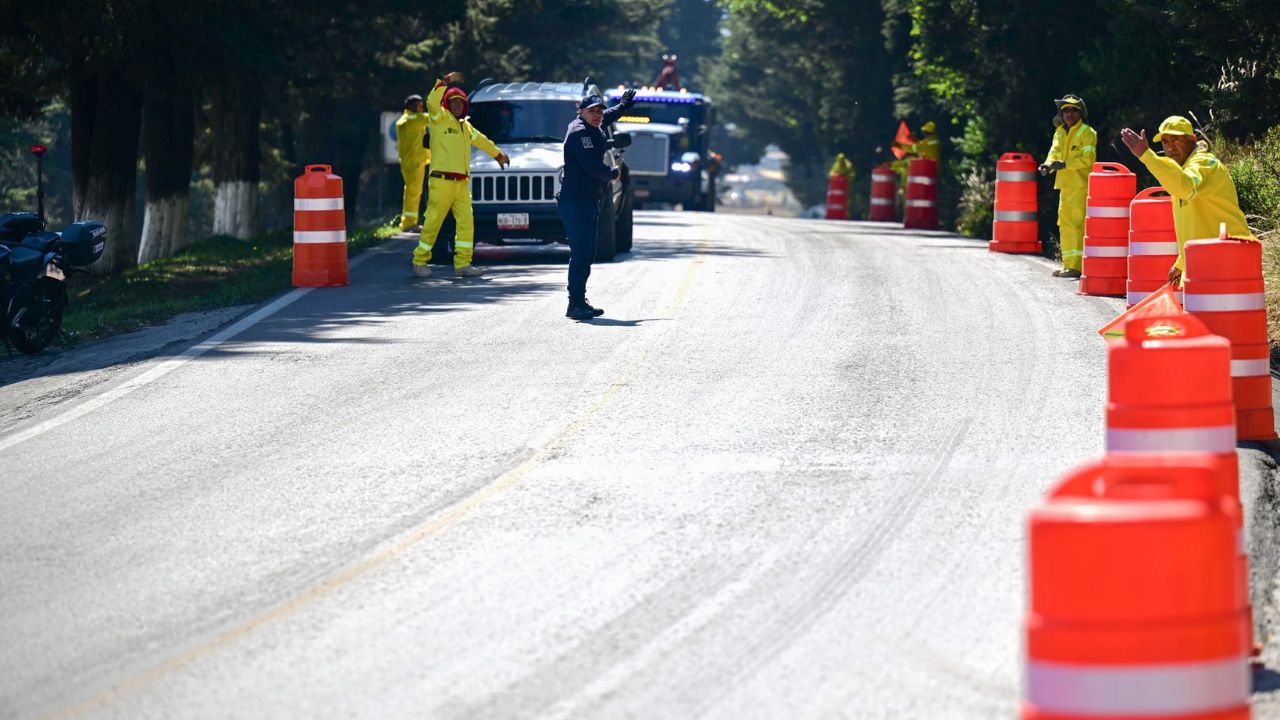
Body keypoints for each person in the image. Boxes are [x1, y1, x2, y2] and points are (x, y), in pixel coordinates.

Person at [1120, 115, 1254, 285]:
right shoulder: (1180, 172)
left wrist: (1147, 156)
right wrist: (1181, 263)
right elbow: (1193, 227)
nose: (1170, 147)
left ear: (1192, 139)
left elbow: (1186, 187)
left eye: (1176, 139)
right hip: (1208, 264)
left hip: (1227, 262)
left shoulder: (1204, 163)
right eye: (1165, 141)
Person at [411, 71, 510, 279]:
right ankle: (420, 261)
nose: (457, 106)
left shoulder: (466, 126)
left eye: (460, 103)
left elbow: (481, 139)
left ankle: (463, 264)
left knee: (466, 223)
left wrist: (498, 154)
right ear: (448, 104)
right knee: (433, 222)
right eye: (453, 102)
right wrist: (444, 82)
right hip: (441, 181)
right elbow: (431, 101)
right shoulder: (439, 119)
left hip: (462, 183)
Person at [557, 88, 636, 320]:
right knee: (581, 253)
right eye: (592, 111)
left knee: (586, 253)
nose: (598, 115)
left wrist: (623, 106)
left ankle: (580, 301)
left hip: (587, 199)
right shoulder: (580, 133)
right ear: (580, 112)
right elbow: (592, 167)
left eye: (599, 110)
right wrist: (612, 173)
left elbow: (607, 117)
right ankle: (575, 304)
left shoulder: (594, 125)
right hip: (576, 201)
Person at [1039, 94, 1096, 279]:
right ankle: (1068, 264)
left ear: (1080, 112)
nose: (1069, 113)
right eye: (1065, 110)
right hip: (1065, 186)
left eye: (1073, 110)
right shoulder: (1060, 132)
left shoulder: (1087, 132)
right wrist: (1048, 165)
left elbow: (1088, 159)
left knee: (1077, 225)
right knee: (1065, 225)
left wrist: (1065, 164)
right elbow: (1053, 152)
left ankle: (1078, 267)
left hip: (1080, 186)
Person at [396, 94, 430, 232]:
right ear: (410, 106)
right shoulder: (414, 119)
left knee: (411, 191)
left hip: (408, 161)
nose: (422, 108)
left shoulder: (406, 119)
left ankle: (408, 222)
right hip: (415, 161)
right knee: (413, 193)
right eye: (419, 106)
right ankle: (409, 223)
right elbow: (432, 118)